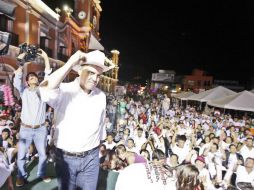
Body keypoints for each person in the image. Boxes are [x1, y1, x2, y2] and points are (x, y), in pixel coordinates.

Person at [39, 50, 114, 190]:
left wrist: (100, 143)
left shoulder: (101, 96)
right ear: (80, 71)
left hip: (91, 157)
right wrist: (71, 62)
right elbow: (45, 90)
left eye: (98, 75)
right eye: (91, 72)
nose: (95, 78)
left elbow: (101, 123)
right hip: (66, 159)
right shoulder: (64, 90)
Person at [13, 49, 51, 187]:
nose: (34, 78)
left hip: (41, 129)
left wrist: (46, 57)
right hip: (25, 129)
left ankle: (41, 173)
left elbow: (48, 76)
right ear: (28, 82)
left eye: (35, 77)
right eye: (31, 78)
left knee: (43, 155)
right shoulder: (24, 92)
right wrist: (21, 63)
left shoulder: (43, 91)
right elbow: (17, 79)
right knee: (21, 155)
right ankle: (20, 176)